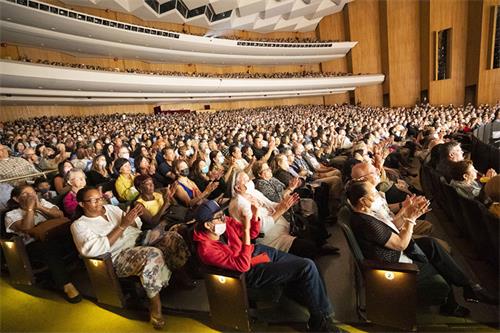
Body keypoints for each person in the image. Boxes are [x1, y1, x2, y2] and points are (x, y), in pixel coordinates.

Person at [346, 181, 498, 316]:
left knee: (431, 245)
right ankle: (463, 296)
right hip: (392, 264)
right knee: (440, 262)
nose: (379, 195)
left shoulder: (368, 213)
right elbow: (400, 244)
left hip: (396, 253)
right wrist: (411, 219)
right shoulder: (365, 222)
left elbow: (393, 227)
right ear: (363, 200)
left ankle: (469, 288)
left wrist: (405, 209)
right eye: (374, 193)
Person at [192, 200, 341, 332]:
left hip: (258, 252)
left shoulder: (225, 224)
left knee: (310, 264)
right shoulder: (206, 250)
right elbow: (242, 266)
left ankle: (319, 312)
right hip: (250, 270)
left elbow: (253, 233)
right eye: (219, 217)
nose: (225, 219)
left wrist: (254, 218)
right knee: (306, 267)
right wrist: (245, 232)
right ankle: (321, 321)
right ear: (207, 224)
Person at [71, 187, 190, 329]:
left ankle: (180, 275)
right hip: (120, 256)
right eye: (93, 200)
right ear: (82, 204)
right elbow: (93, 249)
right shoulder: (80, 225)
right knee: (153, 254)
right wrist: (122, 225)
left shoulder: (110, 209)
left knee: (173, 237)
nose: (99, 202)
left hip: (139, 239)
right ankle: (154, 303)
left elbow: (136, 225)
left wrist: (132, 218)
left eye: (100, 198)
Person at [5, 185, 82, 303]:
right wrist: (30, 209)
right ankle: (66, 284)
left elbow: (60, 215)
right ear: (16, 199)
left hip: (56, 235)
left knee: (77, 232)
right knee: (48, 247)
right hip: (33, 245)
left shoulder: (43, 202)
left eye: (32, 193)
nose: (31, 196)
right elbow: (27, 228)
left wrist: (40, 207)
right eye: (25, 194)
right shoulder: (11, 214)